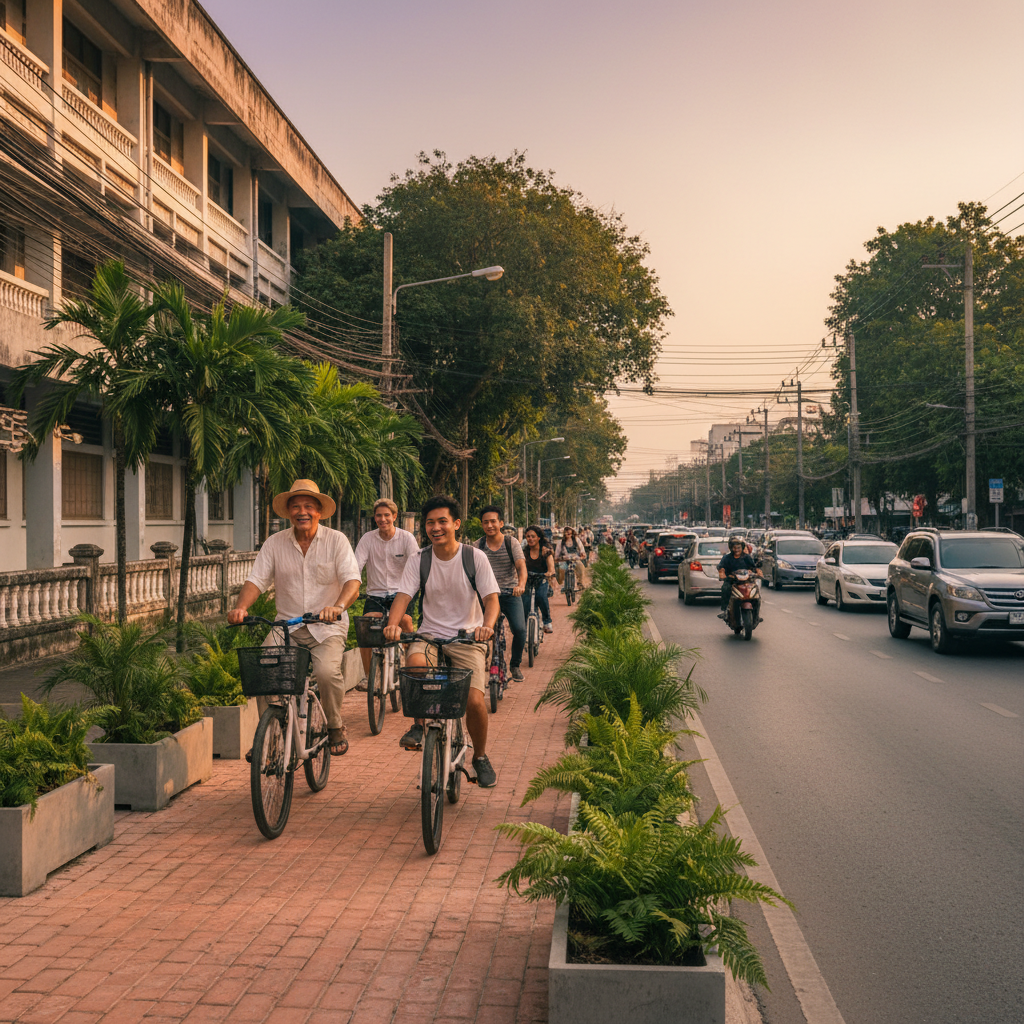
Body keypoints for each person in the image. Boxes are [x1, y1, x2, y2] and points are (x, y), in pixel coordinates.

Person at [229, 479, 361, 757]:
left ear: (319, 511)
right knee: (264, 671)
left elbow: (352, 582)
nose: (302, 512)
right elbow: (256, 580)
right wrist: (241, 607)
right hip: (286, 627)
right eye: (296, 507)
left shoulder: (337, 541)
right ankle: (268, 735)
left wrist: (337, 607)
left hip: (327, 628)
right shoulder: (274, 543)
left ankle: (335, 726)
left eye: (309, 506)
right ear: (289, 512)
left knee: (326, 673)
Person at [383, 496, 500, 788]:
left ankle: (481, 757)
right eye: (430, 522)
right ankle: (420, 726)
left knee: (474, 701)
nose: (436, 527)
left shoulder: (474, 557)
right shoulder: (418, 559)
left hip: (468, 638)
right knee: (415, 665)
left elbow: (491, 600)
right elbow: (403, 596)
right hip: (430, 635)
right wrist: (392, 624)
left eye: (442, 521)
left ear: (456, 524)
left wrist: (486, 627)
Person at [354, 498, 419, 688]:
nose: (382, 519)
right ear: (375, 518)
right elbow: (356, 566)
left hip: (403, 592)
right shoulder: (368, 539)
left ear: (394, 517)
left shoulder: (406, 538)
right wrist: (354, 585)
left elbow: (415, 566)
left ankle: (411, 666)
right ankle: (369, 677)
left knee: (405, 621)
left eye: (386, 515)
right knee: (365, 627)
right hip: (376, 594)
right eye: (378, 516)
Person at [477, 506, 528, 681]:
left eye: (493, 521)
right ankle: (481, 658)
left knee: (520, 630)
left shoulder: (511, 542)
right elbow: (469, 572)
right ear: (482, 524)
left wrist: (520, 585)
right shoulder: (478, 546)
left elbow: (521, 567)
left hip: (510, 593)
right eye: (486, 522)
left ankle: (515, 664)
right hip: (486, 596)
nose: (490, 525)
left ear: (501, 523)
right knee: (479, 630)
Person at [717, 536, 762, 620]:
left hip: (747, 581)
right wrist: (722, 574)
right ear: (731, 548)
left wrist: (758, 572)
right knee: (725, 588)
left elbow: (754, 567)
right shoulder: (727, 558)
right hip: (732, 581)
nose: (736, 549)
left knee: (756, 594)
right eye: (734, 547)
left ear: (742, 547)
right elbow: (721, 567)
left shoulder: (747, 557)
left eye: (738, 547)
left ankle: (756, 615)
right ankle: (725, 610)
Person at [522, 525, 556, 633]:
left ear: (538, 538)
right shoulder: (524, 551)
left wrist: (549, 572)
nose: (530, 539)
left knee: (541, 596)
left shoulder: (545, 551)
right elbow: (519, 565)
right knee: (525, 601)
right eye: (528, 536)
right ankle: (525, 624)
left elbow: (551, 567)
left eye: (533, 536)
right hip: (527, 579)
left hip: (542, 578)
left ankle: (547, 621)